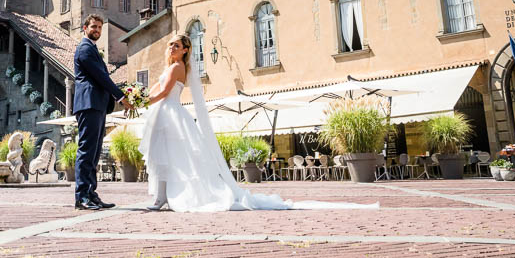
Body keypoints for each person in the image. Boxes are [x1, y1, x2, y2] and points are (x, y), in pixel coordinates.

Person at [137, 34, 379, 212]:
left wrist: (141, 102)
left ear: (185, 51)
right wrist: (138, 99)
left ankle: (163, 198)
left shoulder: (177, 67)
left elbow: (163, 92)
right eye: (170, 45)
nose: (171, 48)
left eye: (176, 45)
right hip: (165, 114)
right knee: (164, 157)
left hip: (170, 114)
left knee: (168, 157)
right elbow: (155, 90)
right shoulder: (171, 66)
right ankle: (162, 197)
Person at [72, 13, 132, 211]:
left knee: (94, 153)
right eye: (93, 27)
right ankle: (81, 197)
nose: (97, 30)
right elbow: (101, 77)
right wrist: (121, 97)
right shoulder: (84, 49)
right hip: (88, 103)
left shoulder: (93, 49)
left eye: (99, 27)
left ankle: (91, 193)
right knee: (87, 151)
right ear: (85, 28)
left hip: (96, 105)